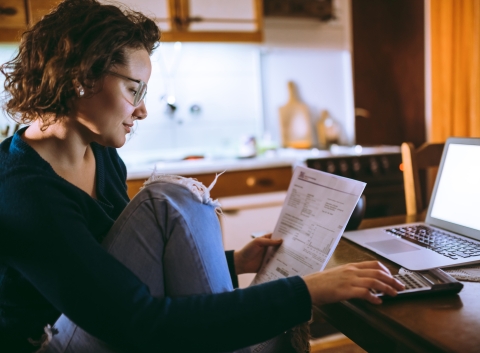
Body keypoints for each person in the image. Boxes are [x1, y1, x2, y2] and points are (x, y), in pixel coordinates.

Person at [0, 1, 405, 352]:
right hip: (48, 343)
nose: (141, 111)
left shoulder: (101, 155)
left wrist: (235, 263)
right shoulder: (22, 191)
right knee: (168, 197)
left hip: (102, 321)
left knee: (170, 200)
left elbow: (118, 277)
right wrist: (306, 292)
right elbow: (136, 320)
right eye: (133, 90)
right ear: (81, 78)